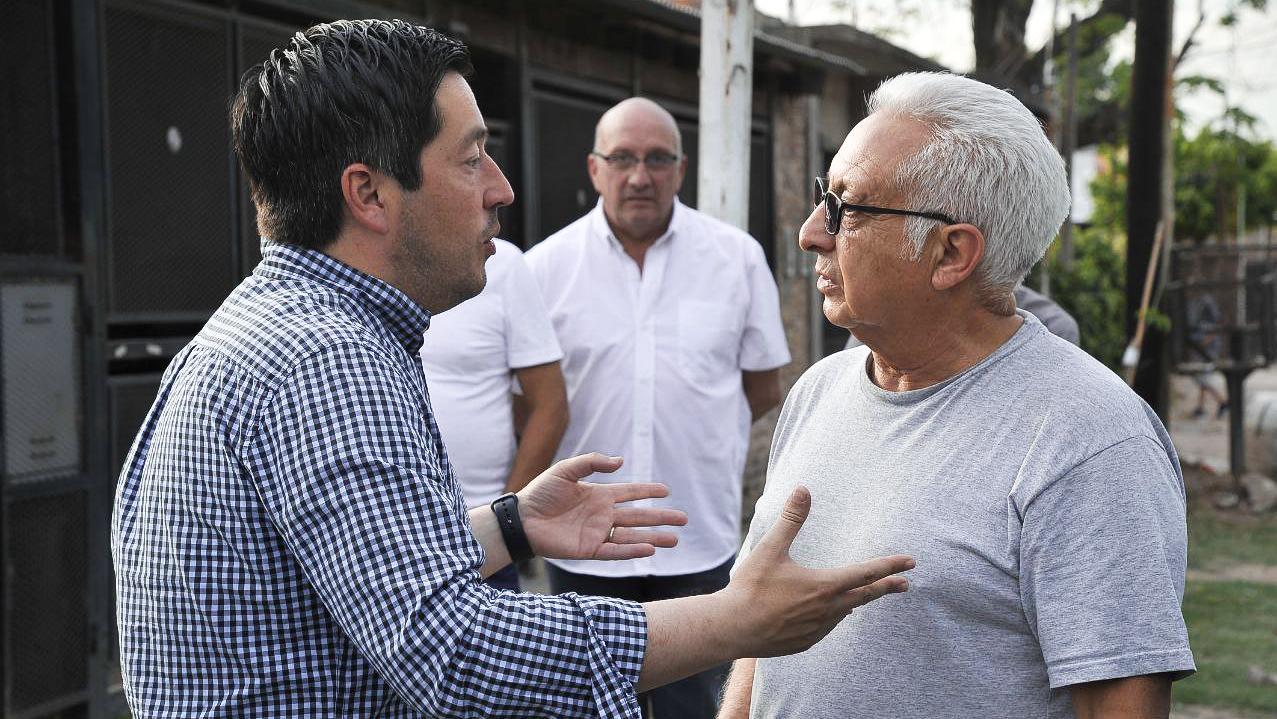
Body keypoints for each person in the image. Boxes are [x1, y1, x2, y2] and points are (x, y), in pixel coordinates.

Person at [111, 20, 915, 718]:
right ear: (369, 193)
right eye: (471, 160)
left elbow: (356, 574)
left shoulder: (277, 329)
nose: (502, 189)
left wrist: (510, 523)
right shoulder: (327, 359)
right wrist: (737, 620)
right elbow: (452, 648)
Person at [720, 72, 1194, 719]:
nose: (810, 232)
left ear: (951, 252)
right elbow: (761, 624)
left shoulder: (1088, 440)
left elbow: (1118, 705)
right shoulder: (818, 390)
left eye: (846, 207)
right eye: (819, 197)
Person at [525, 97, 792, 718]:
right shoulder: (545, 269)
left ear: (681, 167)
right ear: (594, 169)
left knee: (695, 708)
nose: (639, 176)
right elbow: (530, 402)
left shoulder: (736, 258)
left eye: (656, 159)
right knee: (583, 705)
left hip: (696, 536)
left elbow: (762, 387)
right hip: (585, 543)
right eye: (621, 158)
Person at [419, 236, 567, 591]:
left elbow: (551, 408)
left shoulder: (501, 262)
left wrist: (505, 521)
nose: (498, 196)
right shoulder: (359, 263)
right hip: (387, 532)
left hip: (481, 532)